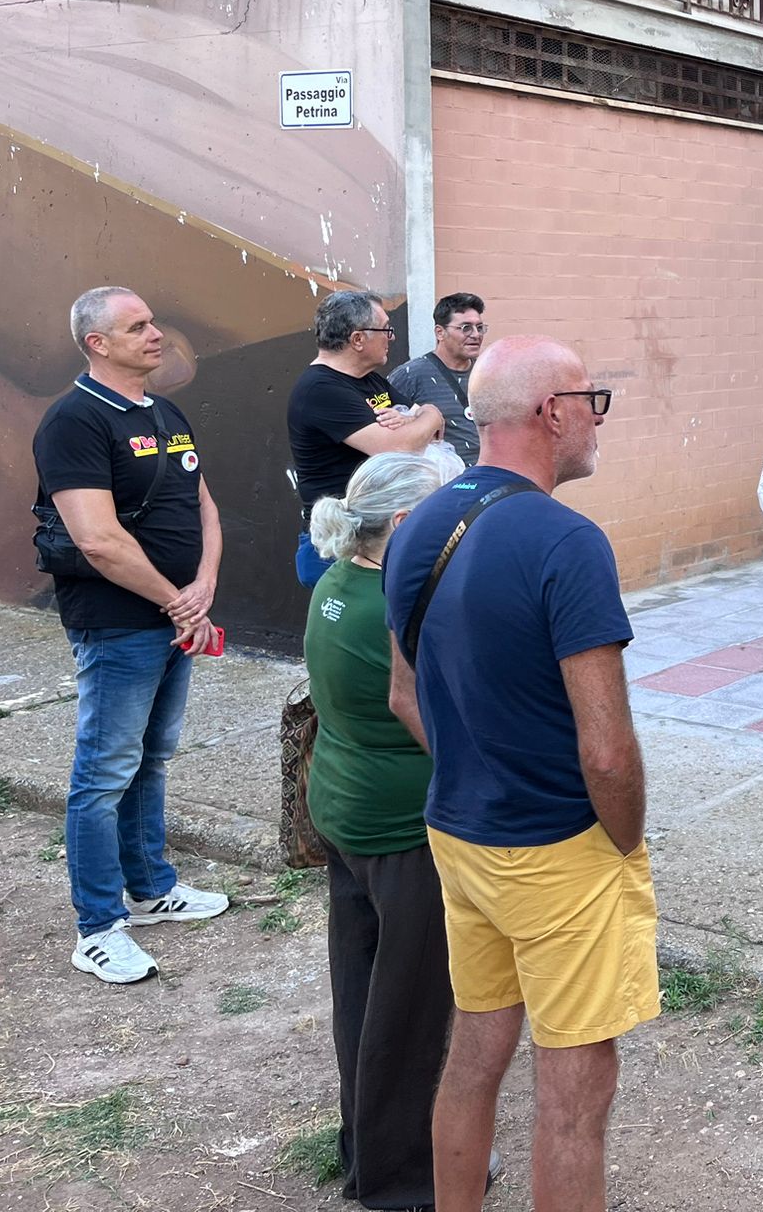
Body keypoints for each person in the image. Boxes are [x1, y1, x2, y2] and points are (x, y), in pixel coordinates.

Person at [384, 336, 655, 1211]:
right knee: (576, 1096)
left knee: (474, 1054)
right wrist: (623, 840)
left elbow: (404, 695)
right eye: (593, 400)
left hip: (459, 830)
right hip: (557, 846)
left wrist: (477, 768)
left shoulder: (416, 521)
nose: (598, 418)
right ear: (553, 412)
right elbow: (606, 747)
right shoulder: (567, 541)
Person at [32, 287, 228, 984]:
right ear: (97, 343)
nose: (156, 334)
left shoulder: (166, 412)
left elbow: (203, 506)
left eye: (153, 322)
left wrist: (202, 586)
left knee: (152, 757)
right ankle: (97, 927)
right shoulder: (74, 421)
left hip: (175, 616)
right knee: (102, 774)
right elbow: (98, 540)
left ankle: (149, 890)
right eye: (137, 326)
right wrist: (181, 603)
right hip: (117, 625)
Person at [305, 452, 461, 1210]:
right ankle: (399, 1180)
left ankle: (363, 1147)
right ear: (404, 525)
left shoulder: (337, 583)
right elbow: (440, 716)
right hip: (401, 830)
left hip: (346, 810)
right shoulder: (397, 605)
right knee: (409, 1007)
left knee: (362, 993)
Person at [288, 290, 444, 586]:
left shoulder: (369, 379)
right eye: (385, 329)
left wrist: (431, 414)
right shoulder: (320, 389)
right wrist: (422, 421)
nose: (391, 337)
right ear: (358, 339)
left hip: (376, 538)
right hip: (343, 544)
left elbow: (433, 427)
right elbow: (398, 447)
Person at [390, 292, 487, 465]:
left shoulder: (488, 372)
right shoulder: (410, 375)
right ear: (440, 333)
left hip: (488, 480)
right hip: (440, 483)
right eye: (466, 328)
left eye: (480, 328)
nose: (475, 335)